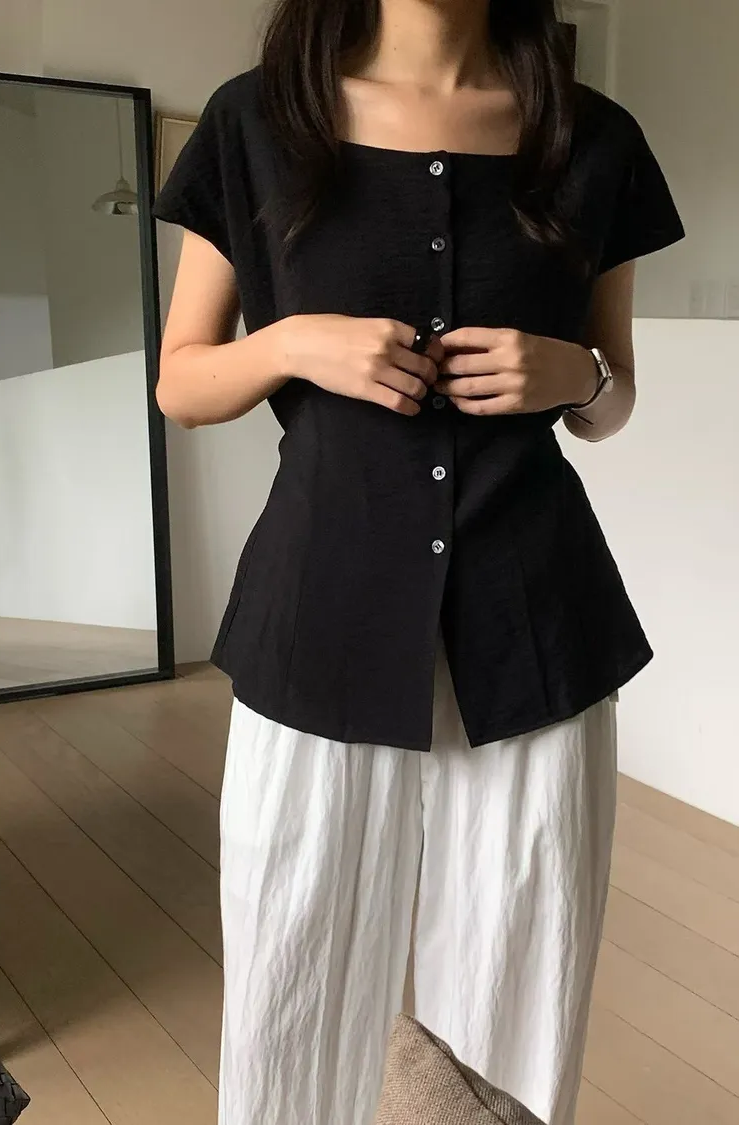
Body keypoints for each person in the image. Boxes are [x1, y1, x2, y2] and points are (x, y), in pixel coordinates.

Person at [153, 1, 684, 1123]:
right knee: (292, 967)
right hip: (322, 605)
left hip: (534, 615)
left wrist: (573, 375)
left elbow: (613, 395)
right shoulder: (257, 122)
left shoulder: (593, 138)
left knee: (522, 968)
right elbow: (183, 382)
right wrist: (293, 342)